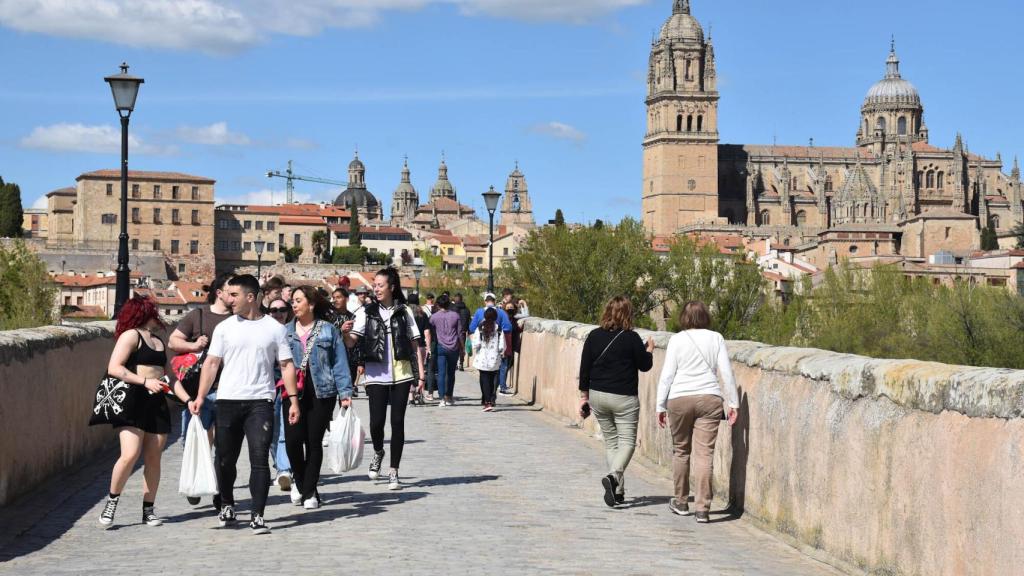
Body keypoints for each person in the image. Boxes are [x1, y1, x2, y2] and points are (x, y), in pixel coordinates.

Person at [191, 274, 300, 535]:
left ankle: (257, 515)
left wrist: (293, 400)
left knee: (259, 458)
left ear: (250, 297)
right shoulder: (225, 328)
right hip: (228, 400)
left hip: (260, 401)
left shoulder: (274, 329)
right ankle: (227, 504)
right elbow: (212, 363)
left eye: (234, 295)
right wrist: (201, 397)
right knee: (226, 460)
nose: (228, 300)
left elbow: (286, 365)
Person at [99, 296, 184, 528]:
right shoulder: (130, 336)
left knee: (154, 458)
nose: (157, 315)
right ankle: (112, 502)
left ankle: (149, 510)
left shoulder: (157, 340)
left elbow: (170, 376)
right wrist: (144, 382)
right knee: (129, 454)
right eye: (153, 310)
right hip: (133, 401)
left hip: (156, 403)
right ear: (143, 312)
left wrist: (189, 400)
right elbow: (114, 368)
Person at [656, 301, 739, 523]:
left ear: (683, 318)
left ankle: (681, 502)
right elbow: (726, 373)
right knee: (705, 454)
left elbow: (667, 375)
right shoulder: (716, 338)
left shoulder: (676, 340)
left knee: (681, 451)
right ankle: (702, 509)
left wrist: (660, 405)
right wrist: (734, 403)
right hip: (709, 399)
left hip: (679, 398)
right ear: (706, 317)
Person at [345, 268, 424, 490]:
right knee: (376, 423)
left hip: (402, 372)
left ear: (392, 287)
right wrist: (344, 333)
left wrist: (421, 374)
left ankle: (393, 471)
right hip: (376, 373)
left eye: (380, 285)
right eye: (375, 285)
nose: (376, 289)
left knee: (397, 422)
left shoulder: (404, 311)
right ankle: (379, 451)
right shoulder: (366, 312)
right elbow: (351, 342)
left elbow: (415, 343)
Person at [578, 296, 654, 508]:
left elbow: (584, 369)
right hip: (624, 397)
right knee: (627, 442)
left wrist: (584, 397)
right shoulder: (631, 338)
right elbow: (645, 366)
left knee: (612, 442)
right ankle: (613, 477)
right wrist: (649, 350)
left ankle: (618, 492)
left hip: (598, 395)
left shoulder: (593, 336)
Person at [284, 287, 353, 509]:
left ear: (311, 304)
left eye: (298, 301)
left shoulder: (328, 331)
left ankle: (310, 490)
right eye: (292, 301)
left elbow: (339, 361)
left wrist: (345, 393)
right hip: (292, 392)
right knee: (293, 441)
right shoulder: (284, 332)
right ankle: (300, 479)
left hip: (322, 392)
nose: (294, 305)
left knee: (313, 442)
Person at [168, 273, 233, 506]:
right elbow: (173, 341)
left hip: (229, 390)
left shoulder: (239, 319)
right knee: (194, 440)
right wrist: (194, 345)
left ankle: (220, 492)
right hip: (199, 390)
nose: (234, 295)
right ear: (219, 293)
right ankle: (195, 482)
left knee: (225, 446)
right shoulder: (198, 316)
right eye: (231, 290)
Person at [267, 298, 295, 500]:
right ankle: (279, 466)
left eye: (282, 309)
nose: (277, 313)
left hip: (287, 385)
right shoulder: (263, 331)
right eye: (273, 310)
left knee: (285, 428)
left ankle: (285, 469)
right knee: (272, 430)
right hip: (267, 386)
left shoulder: (292, 332)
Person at [429, 293, 462, 407]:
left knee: (441, 373)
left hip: (441, 346)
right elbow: (460, 333)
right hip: (454, 347)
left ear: (438, 304)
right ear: (449, 304)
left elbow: (430, 329)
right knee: (451, 373)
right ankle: (449, 396)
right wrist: (462, 347)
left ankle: (442, 398)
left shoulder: (434, 317)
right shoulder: (456, 315)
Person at [472, 307, 505, 412]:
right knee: (491, 380)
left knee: (484, 379)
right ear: (496, 317)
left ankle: (487, 402)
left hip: (482, 359)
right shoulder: (499, 329)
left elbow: (476, 344)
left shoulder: (480, 328)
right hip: (494, 359)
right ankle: (490, 399)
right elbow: (501, 347)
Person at [332, 287, 359, 398]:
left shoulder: (353, 317)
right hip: (332, 357)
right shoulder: (329, 316)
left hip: (349, 359)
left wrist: (360, 362)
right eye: (334, 298)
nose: (335, 300)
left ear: (346, 299)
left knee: (346, 395)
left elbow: (357, 340)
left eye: (339, 297)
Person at [408, 293, 433, 405]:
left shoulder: (405, 314)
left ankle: (411, 396)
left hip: (408, 346)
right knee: (421, 369)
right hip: (421, 345)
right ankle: (420, 394)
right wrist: (428, 347)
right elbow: (427, 332)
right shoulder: (423, 314)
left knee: (409, 370)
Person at [453, 293, 471, 371]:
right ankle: (461, 363)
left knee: (454, 348)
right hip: (463, 331)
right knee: (461, 348)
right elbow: (469, 321)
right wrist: (469, 331)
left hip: (453, 331)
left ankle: (455, 364)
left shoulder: (452, 309)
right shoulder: (466, 309)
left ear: (455, 299)